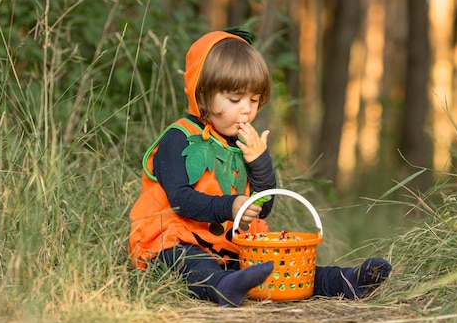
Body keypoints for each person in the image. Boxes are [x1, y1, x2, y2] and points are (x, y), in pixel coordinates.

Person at [128, 29, 391, 307]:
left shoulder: (241, 142)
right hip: (173, 242)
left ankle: (343, 281)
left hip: (229, 248)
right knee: (190, 263)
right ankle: (222, 287)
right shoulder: (177, 138)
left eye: (253, 100)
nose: (247, 111)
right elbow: (179, 201)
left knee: (276, 265)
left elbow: (262, 207)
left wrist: (259, 162)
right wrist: (231, 206)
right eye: (235, 100)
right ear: (202, 94)